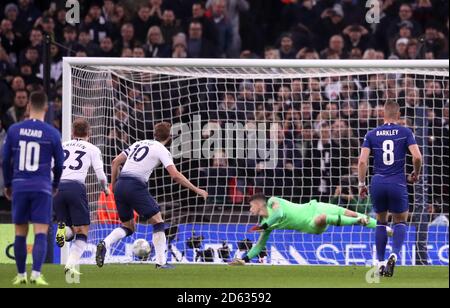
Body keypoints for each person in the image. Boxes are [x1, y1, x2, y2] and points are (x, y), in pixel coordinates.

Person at [96, 122, 208, 268]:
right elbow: (175, 175)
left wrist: (113, 185)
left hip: (120, 186)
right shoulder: (161, 149)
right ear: (169, 137)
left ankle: (105, 243)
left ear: (154, 134)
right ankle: (161, 262)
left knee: (128, 227)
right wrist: (196, 189)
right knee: (158, 221)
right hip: (135, 185)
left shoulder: (138, 144)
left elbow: (115, 161)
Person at [2, 91, 64, 285]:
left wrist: (8, 184)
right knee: (40, 231)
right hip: (42, 187)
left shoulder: (14, 130)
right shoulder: (52, 132)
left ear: (28, 106)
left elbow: (5, 160)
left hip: (19, 186)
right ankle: (36, 274)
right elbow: (60, 164)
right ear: (46, 108)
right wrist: (55, 184)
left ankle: (20, 276)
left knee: (20, 232)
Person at [228, 194, 391, 265]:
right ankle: (358, 221)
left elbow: (279, 213)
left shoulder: (272, 202)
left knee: (351, 211)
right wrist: (245, 259)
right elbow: (259, 245)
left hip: (314, 206)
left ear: (258, 204)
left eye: (250, 206)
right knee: (323, 219)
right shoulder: (267, 224)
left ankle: (383, 227)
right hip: (311, 223)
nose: (250, 210)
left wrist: (263, 225)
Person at [358, 101, 422, 277]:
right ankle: (393, 255)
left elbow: (362, 161)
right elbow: (417, 156)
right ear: (399, 115)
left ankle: (379, 262)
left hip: (377, 182)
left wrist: (361, 184)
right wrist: (416, 174)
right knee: (400, 221)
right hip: (397, 182)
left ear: (382, 115)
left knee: (381, 221)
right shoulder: (405, 132)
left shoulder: (371, 134)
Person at [53, 118, 109, 275]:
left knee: (70, 229)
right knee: (83, 231)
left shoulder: (61, 146)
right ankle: (70, 265)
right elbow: (101, 175)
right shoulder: (92, 148)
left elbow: (51, 167)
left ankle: (63, 231)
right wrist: (106, 189)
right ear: (89, 133)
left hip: (57, 188)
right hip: (76, 187)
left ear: (72, 132)